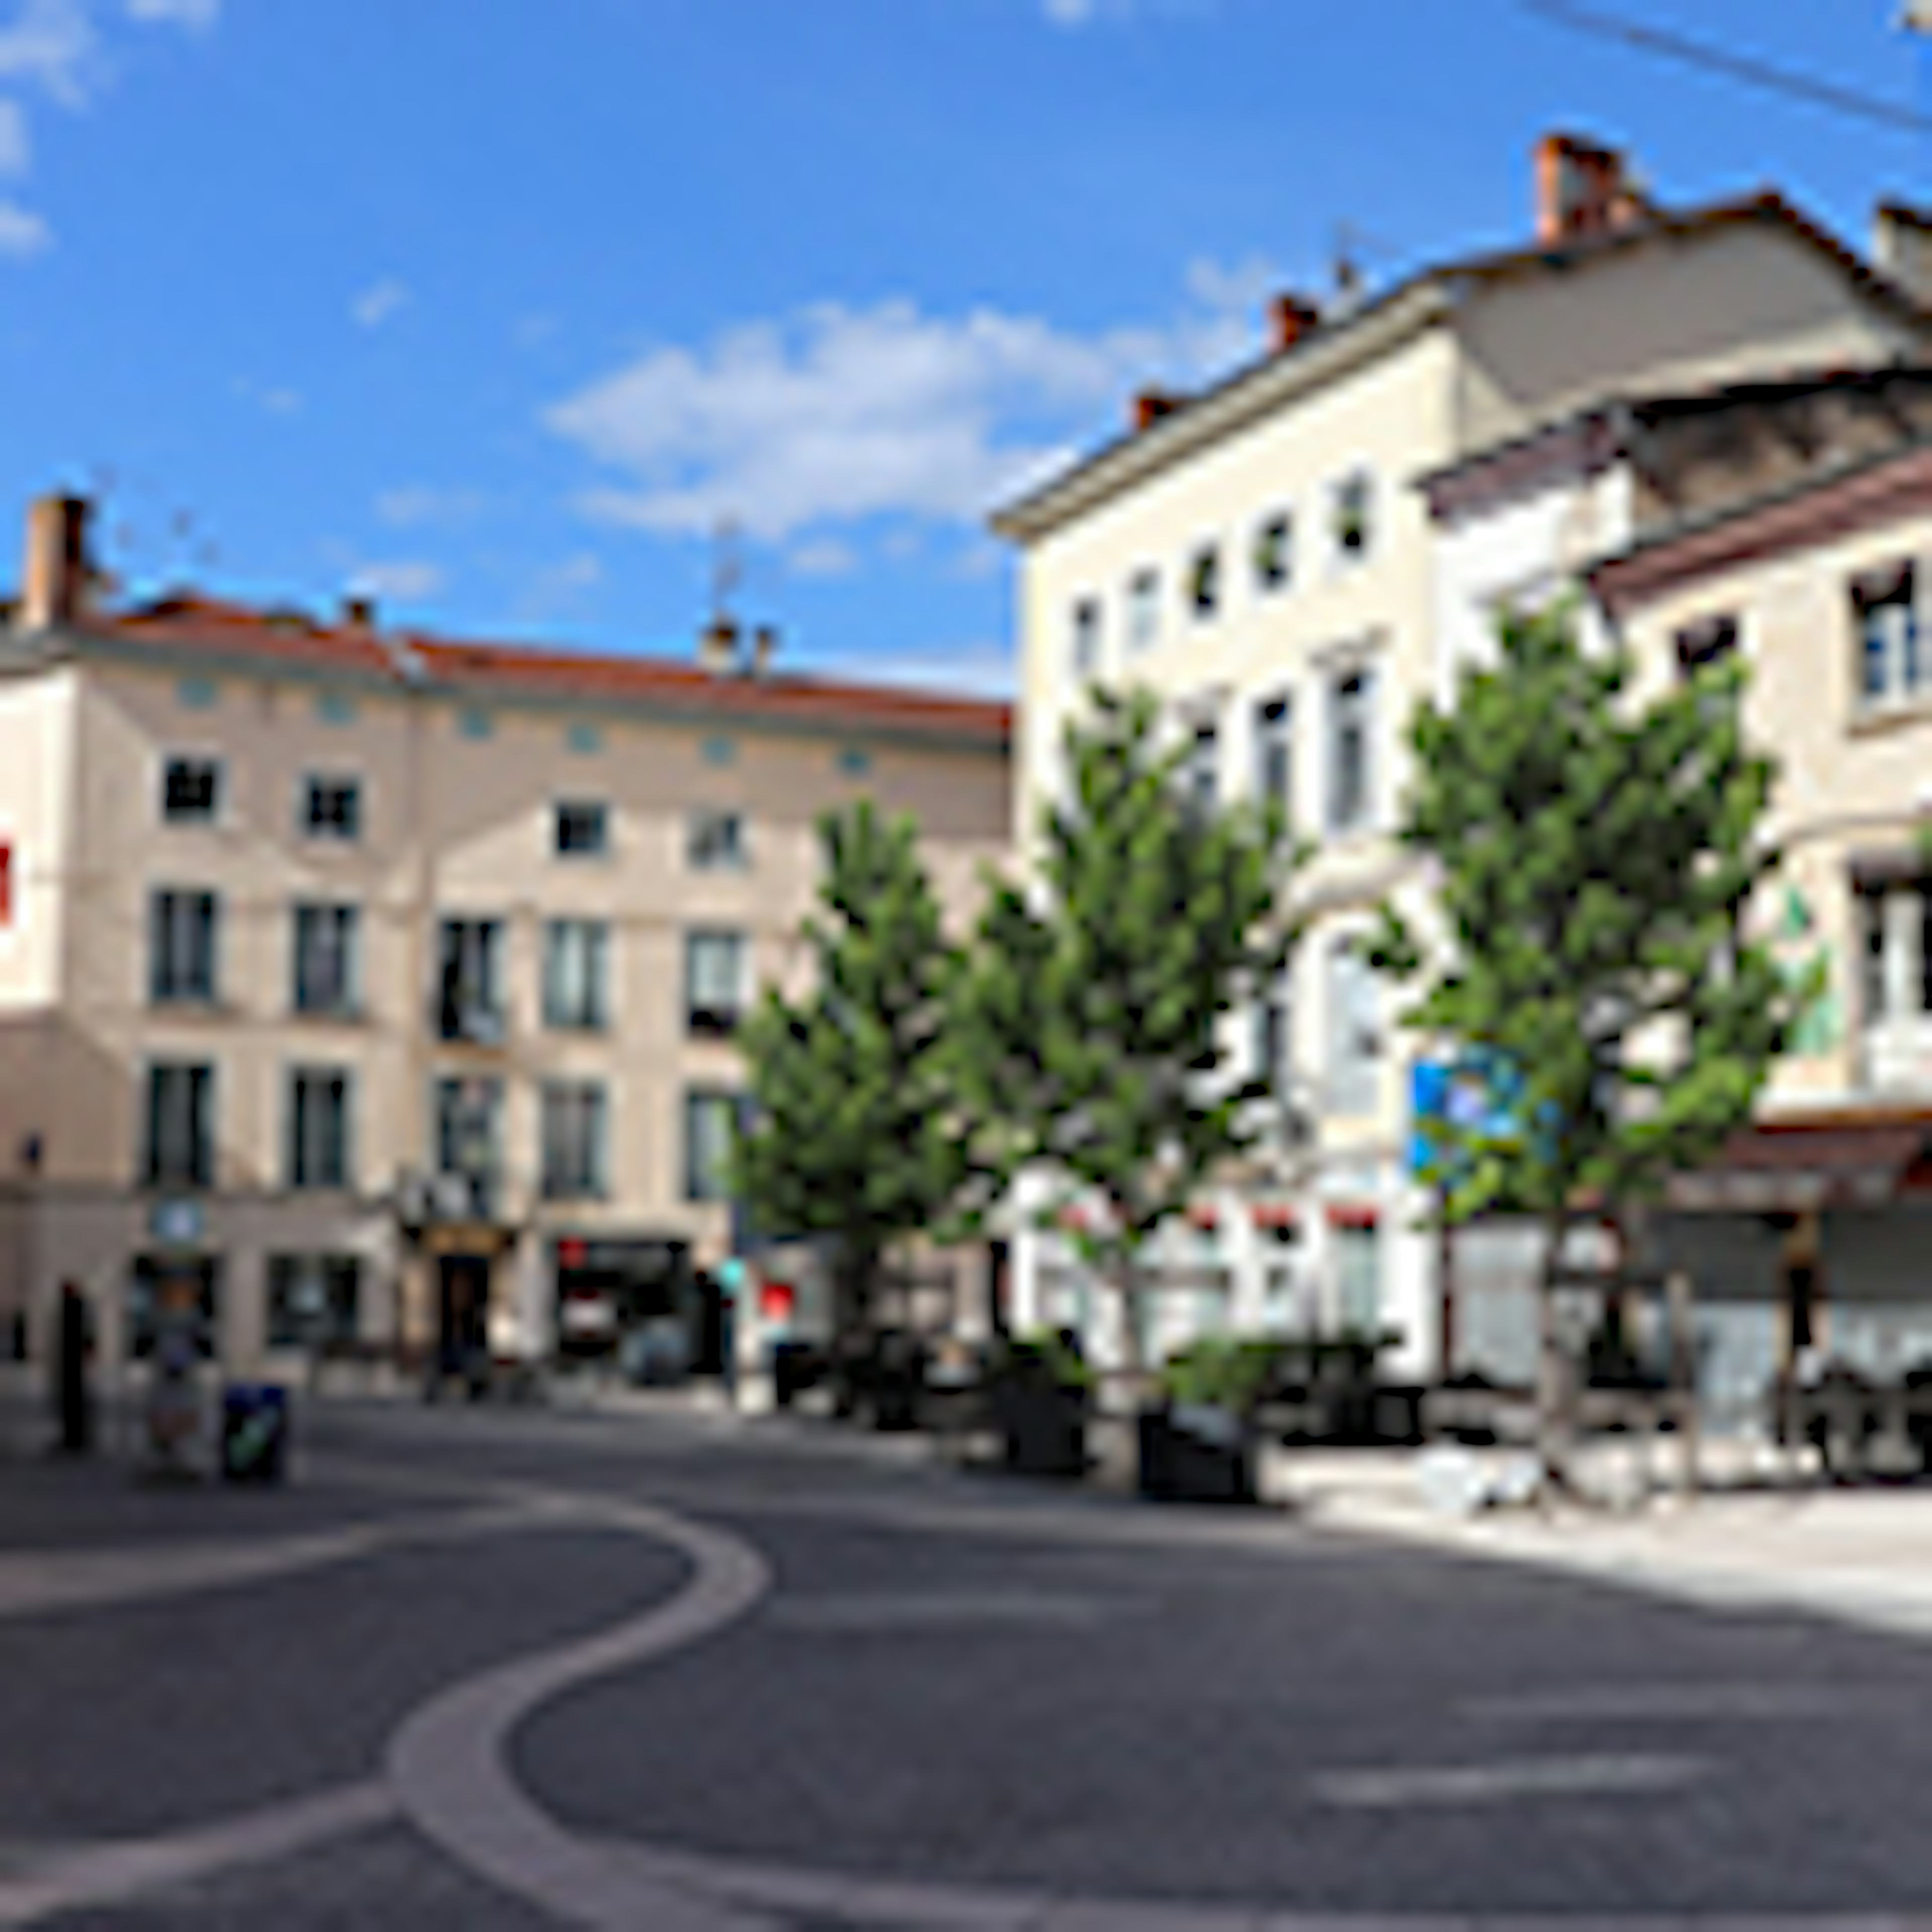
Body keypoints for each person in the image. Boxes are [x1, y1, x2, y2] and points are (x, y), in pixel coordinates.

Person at [51, 1279, 93, 1455]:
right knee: (74, 1403)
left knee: (73, 1402)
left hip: (71, 1363)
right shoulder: (78, 1307)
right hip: (71, 1363)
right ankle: (75, 1437)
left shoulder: (73, 1307)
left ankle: (75, 1438)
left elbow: (83, 1336)